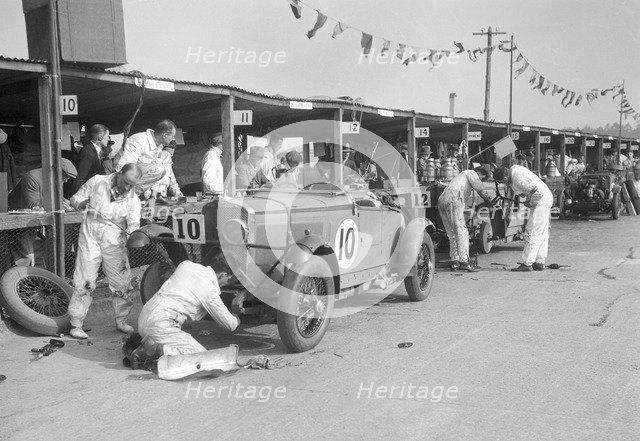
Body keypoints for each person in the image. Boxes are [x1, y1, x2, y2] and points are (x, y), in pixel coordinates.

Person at [67, 163, 142, 339]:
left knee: (121, 282)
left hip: (114, 238)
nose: (128, 188)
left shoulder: (133, 199)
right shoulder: (97, 181)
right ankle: (76, 324)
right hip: (90, 233)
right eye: (126, 182)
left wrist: (133, 232)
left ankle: (121, 321)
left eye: (132, 185)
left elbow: (133, 224)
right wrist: (81, 203)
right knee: (85, 279)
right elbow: (74, 198)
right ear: (118, 174)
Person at [131, 260, 239, 364]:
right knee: (203, 357)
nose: (226, 284)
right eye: (228, 280)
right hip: (160, 325)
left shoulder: (186, 265)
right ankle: (151, 353)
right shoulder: (209, 290)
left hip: (144, 316)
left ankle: (139, 344)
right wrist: (237, 317)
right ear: (223, 275)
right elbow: (230, 324)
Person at [7, 160, 77, 266]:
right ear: (56, 171)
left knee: (40, 254)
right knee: (26, 257)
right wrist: (59, 204)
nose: (66, 180)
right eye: (65, 176)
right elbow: (33, 204)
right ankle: (22, 279)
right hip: (18, 223)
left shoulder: (53, 180)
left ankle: (32, 277)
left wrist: (70, 203)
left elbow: (58, 198)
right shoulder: (33, 177)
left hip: (32, 224)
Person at [493, 165, 553, 272]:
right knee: (541, 231)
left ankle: (527, 263)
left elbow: (536, 191)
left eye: (502, 182)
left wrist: (530, 201)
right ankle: (539, 261)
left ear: (505, 177)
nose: (503, 184)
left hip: (541, 199)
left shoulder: (518, 179)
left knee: (532, 231)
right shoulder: (514, 171)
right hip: (545, 197)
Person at [437, 166, 492, 272]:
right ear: (480, 173)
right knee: (462, 231)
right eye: (482, 178)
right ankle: (464, 262)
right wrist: (488, 199)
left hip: (443, 200)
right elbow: (480, 188)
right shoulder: (471, 172)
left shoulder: (460, 177)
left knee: (452, 233)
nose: (480, 180)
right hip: (453, 198)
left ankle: (455, 261)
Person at [115, 119, 176, 199]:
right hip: (121, 178)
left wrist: (153, 197)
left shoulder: (159, 146)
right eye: (172, 136)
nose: (173, 139)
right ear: (164, 135)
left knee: (160, 169)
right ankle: (124, 195)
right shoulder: (139, 140)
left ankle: (131, 195)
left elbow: (156, 174)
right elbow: (123, 167)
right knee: (159, 169)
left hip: (133, 180)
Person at [73, 124, 111, 193]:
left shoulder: (94, 151)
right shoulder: (88, 152)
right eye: (107, 136)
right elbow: (78, 180)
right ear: (100, 137)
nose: (108, 139)